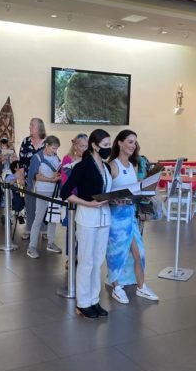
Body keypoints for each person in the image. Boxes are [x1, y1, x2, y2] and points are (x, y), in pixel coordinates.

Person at [60, 129, 112, 319]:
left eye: (109, 145)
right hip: (87, 218)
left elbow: (106, 190)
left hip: (104, 218)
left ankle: (94, 299)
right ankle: (83, 303)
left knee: (98, 261)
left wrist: (115, 198)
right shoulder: (82, 166)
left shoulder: (106, 167)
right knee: (86, 261)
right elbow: (65, 192)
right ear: (94, 146)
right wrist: (87, 203)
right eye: (105, 145)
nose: (108, 148)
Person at [106, 130, 159, 304]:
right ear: (120, 143)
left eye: (134, 142)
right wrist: (114, 200)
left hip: (130, 216)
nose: (133, 145)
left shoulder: (131, 166)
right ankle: (116, 288)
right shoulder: (112, 166)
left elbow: (132, 189)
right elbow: (105, 192)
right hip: (116, 218)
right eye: (130, 142)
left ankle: (141, 287)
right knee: (117, 254)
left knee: (140, 254)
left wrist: (144, 189)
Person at [26, 135, 62, 259]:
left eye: (56, 148)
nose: (55, 151)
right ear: (46, 145)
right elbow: (36, 176)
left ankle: (51, 243)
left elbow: (58, 173)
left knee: (53, 217)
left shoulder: (56, 157)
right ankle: (31, 247)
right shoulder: (37, 157)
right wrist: (52, 179)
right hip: (42, 190)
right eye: (53, 148)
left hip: (54, 191)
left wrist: (56, 177)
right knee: (39, 218)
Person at [61, 133, 88, 266]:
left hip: (86, 198)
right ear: (75, 146)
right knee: (71, 228)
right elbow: (65, 181)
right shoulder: (67, 159)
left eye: (86, 146)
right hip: (73, 198)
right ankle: (71, 256)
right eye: (82, 146)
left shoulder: (89, 159)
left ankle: (81, 254)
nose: (84, 149)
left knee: (84, 229)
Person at [19, 118, 46, 239]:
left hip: (44, 179)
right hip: (28, 179)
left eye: (32, 125)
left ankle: (44, 230)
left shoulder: (47, 142)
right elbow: (21, 161)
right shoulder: (26, 141)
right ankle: (29, 229)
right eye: (30, 125)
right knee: (29, 205)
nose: (30, 127)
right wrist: (21, 177)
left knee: (43, 205)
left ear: (39, 127)